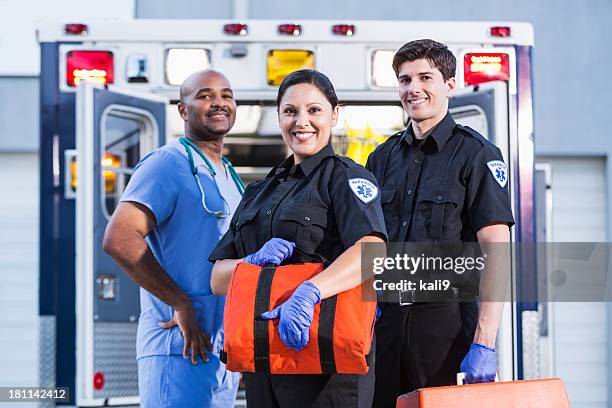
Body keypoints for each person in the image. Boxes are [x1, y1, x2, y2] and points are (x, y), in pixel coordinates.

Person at [208, 69, 387, 408]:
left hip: (327, 365)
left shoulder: (345, 178)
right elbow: (218, 279)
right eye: (290, 111)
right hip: (265, 364)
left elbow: (373, 253)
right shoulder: (258, 193)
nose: (301, 121)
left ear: (334, 115)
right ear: (279, 118)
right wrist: (249, 264)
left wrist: (310, 291)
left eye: (314, 110)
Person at [366, 39, 514, 407]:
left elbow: (497, 249)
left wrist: (484, 341)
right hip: (384, 326)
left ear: (450, 85)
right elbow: (366, 246)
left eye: (425, 77)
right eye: (404, 80)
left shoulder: (476, 154)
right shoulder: (381, 159)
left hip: (445, 330)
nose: (413, 88)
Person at [102, 69, 243, 408]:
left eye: (226, 94)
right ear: (183, 110)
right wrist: (180, 302)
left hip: (220, 351)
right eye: (205, 95)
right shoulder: (167, 164)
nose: (219, 103)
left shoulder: (227, 175)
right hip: (177, 346)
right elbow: (120, 238)